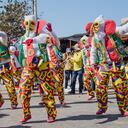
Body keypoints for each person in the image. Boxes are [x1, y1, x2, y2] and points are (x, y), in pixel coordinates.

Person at [90, 15, 128, 116]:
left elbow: (124, 29)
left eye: (98, 26)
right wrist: (92, 63)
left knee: (121, 87)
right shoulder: (95, 38)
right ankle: (102, 107)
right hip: (103, 65)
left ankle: (123, 109)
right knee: (99, 86)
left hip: (117, 64)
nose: (96, 29)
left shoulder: (114, 31)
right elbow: (93, 51)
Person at [0, 31, 18, 109]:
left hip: (4, 66)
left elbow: (3, 35)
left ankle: (14, 102)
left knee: (9, 85)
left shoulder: (2, 39)